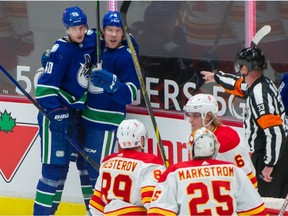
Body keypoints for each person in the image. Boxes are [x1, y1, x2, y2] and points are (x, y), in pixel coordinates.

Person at [201, 46, 288, 198]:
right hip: (275, 151)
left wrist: (270, 164)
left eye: (240, 65)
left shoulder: (259, 95)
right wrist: (216, 77)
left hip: (273, 154)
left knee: (267, 202)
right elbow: (236, 84)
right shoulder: (260, 84)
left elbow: (275, 132)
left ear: (246, 68)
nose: (239, 68)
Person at [33, 6, 96, 214]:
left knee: (81, 167)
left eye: (82, 27)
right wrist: (56, 111)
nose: (78, 32)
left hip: (76, 115)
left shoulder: (90, 40)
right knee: (54, 171)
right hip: (56, 116)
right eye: (73, 28)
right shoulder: (61, 50)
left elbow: (111, 35)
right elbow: (43, 89)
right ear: (66, 29)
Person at [80, 11, 140, 188]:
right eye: (110, 30)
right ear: (103, 31)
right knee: (83, 168)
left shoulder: (126, 56)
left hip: (106, 124)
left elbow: (131, 94)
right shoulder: (95, 47)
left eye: (118, 30)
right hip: (84, 120)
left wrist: (114, 85)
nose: (113, 35)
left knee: (97, 172)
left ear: (123, 33)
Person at [147, 127, 268, 215]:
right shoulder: (235, 171)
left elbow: (159, 212)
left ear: (190, 148)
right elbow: (255, 211)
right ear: (215, 148)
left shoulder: (174, 172)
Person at [89, 119, 166, 215]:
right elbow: (153, 204)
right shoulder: (150, 163)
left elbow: (96, 205)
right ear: (141, 139)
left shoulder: (107, 162)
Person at [183, 93, 258, 188]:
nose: (190, 120)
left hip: (232, 195)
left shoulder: (228, 139)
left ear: (208, 116)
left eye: (195, 115)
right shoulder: (194, 136)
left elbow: (248, 177)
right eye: (189, 115)